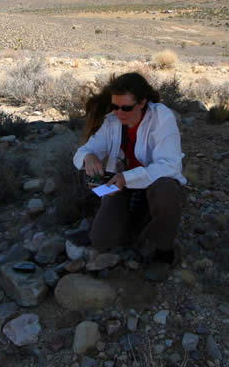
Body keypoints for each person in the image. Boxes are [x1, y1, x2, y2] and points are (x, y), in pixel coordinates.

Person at [72, 72, 186, 281]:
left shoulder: (162, 118)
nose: (119, 113)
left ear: (142, 102)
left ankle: (163, 247)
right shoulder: (112, 122)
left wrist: (128, 178)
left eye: (126, 108)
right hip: (121, 183)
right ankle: (137, 221)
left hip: (153, 182)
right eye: (115, 107)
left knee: (166, 192)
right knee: (100, 239)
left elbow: (170, 165)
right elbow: (81, 153)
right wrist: (88, 156)